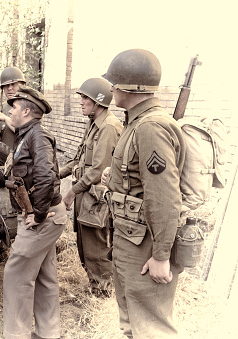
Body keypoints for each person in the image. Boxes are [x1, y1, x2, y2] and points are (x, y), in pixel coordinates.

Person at [0, 85, 67, 339]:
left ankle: (15, 335)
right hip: (46, 215)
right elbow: (7, 176)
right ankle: (48, 333)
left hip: (44, 217)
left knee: (16, 274)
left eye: (14, 107)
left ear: (26, 111)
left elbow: (46, 177)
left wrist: (38, 214)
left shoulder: (37, 136)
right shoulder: (25, 137)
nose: (10, 111)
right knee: (44, 276)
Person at [101, 49, 186, 338]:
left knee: (151, 328)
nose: (110, 88)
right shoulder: (135, 122)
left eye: (114, 83)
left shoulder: (150, 126)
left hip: (145, 247)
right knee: (132, 323)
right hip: (131, 239)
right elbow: (137, 178)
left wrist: (161, 255)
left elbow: (164, 197)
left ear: (129, 88)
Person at [59, 78, 123, 297]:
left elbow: (97, 170)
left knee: (97, 249)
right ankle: (95, 289)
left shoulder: (108, 127)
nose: (81, 102)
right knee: (84, 247)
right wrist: (57, 174)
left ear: (98, 101)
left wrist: (70, 193)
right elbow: (78, 159)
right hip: (87, 198)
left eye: (86, 97)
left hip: (97, 200)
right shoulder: (93, 123)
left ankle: (102, 296)